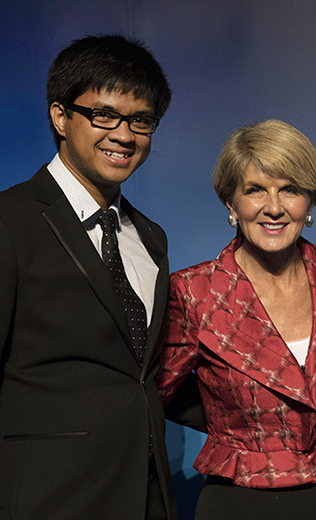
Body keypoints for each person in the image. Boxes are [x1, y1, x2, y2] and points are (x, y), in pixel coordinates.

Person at [0, 35, 203, 520]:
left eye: (141, 121)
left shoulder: (150, 236)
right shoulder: (11, 221)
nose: (124, 135)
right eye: (104, 115)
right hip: (44, 496)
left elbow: (145, 374)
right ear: (60, 117)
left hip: (148, 492)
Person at [156, 119, 316, 520]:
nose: (273, 207)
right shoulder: (194, 291)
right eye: (255, 190)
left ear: (310, 200)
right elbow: (156, 396)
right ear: (230, 203)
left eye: (289, 189)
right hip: (238, 502)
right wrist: (237, 421)